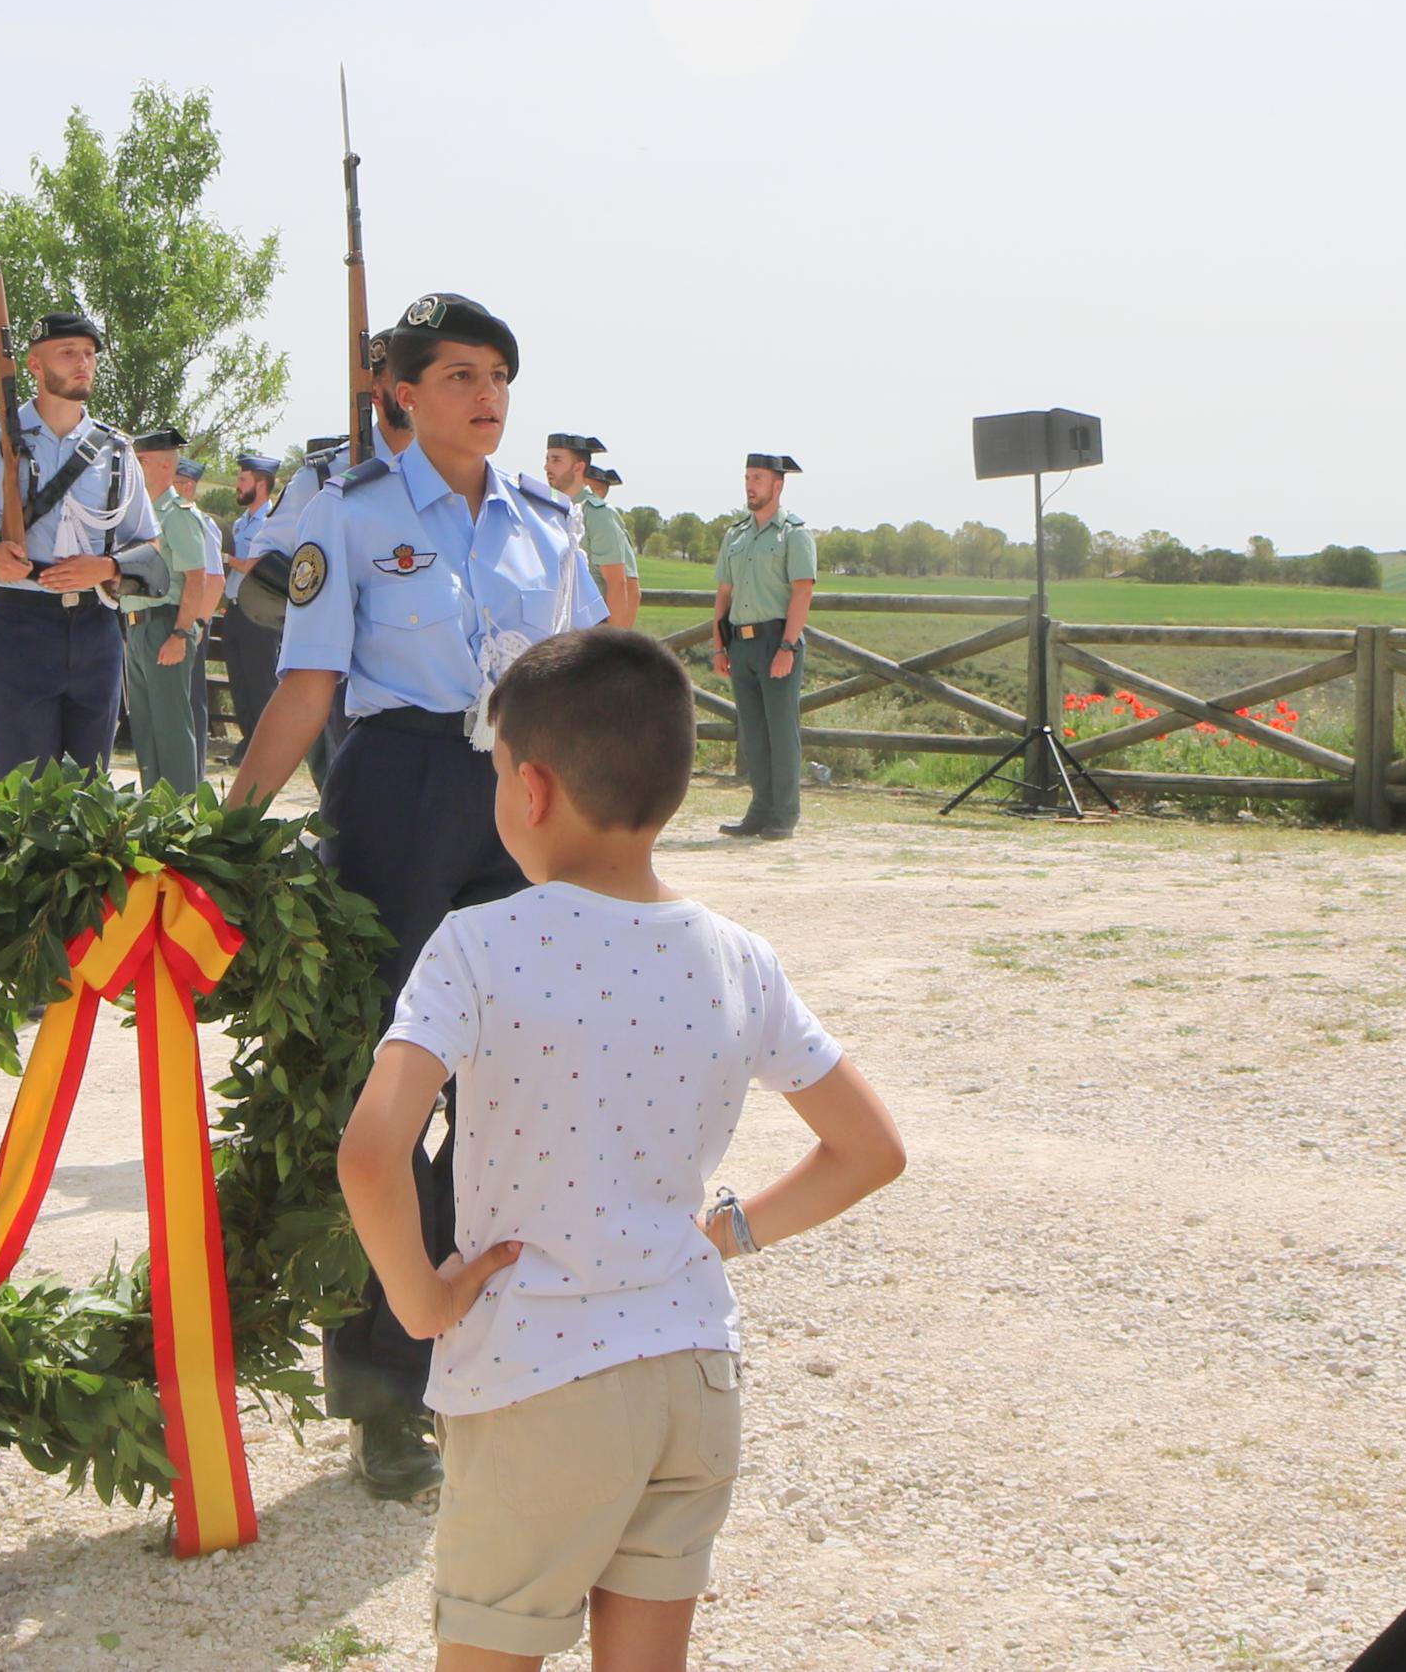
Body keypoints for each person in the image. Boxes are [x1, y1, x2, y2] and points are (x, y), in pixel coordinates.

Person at [339, 629, 903, 1671]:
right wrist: (724, 1234)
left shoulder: (475, 943)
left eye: (496, 772)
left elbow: (372, 1154)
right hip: (690, 1368)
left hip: (535, 1374)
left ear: (532, 788)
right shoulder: (738, 956)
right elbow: (868, 1149)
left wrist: (419, 1305)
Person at [226, 289, 605, 1500]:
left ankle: (508, 1351)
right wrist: (225, 831)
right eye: (456, 374)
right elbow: (305, 685)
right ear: (398, 389)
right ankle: (387, 1394)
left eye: (497, 373)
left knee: (523, 1083)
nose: (485, 395)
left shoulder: (549, 521)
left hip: (524, 794)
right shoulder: (345, 515)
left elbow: (591, 668)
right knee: (391, 1087)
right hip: (398, 789)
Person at [0, 312, 157, 774]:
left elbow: (150, 549)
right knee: (23, 789)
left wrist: (109, 569)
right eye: (68, 353)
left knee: (89, 787)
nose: (84, 363)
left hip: (98, 628)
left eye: (90, 354)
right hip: (22, 624)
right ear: (35, 366)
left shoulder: (116, 450)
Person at [705, 455, 815, 842]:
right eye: (748, 477)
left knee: (781, 732)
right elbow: (724, 593)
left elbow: (803, 591)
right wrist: (720, 647)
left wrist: (787, 645)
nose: (750, 485)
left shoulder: (795, 534)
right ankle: (759, 810)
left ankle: (784, 813)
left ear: (777, 485)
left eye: (759, 479)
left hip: (776, 641)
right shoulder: (735, 535)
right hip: (741, 642)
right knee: (753, 732)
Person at [117, 430, 224, 790]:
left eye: (140, 461)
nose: (134, 467)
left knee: (172, 731)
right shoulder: (140, 514)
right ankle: (154, 816)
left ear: (164, 464)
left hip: (165, 625)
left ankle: (178, 820)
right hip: (137, 627)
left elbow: (198, 579)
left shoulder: (177, 514)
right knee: (146, 729)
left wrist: (181, 633)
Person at [215, 447, 291, 740]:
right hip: (235, 609)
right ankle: (247, 741)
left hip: (259, 614)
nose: (238, 484)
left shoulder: (270, 524)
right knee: (240, 681)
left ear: (261, 484)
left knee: (260, 681)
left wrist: (225, 558)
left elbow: (258, 566)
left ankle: (266, 742)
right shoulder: (241, 523)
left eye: (243, 479)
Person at [546, 434, 641, 630]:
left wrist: (612, 647)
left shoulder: (598, 515)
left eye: (556, 460)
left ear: (578, 467)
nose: (547, 467)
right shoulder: (548, 510)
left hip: (590, 636)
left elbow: (620, 585)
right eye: (547, 460)